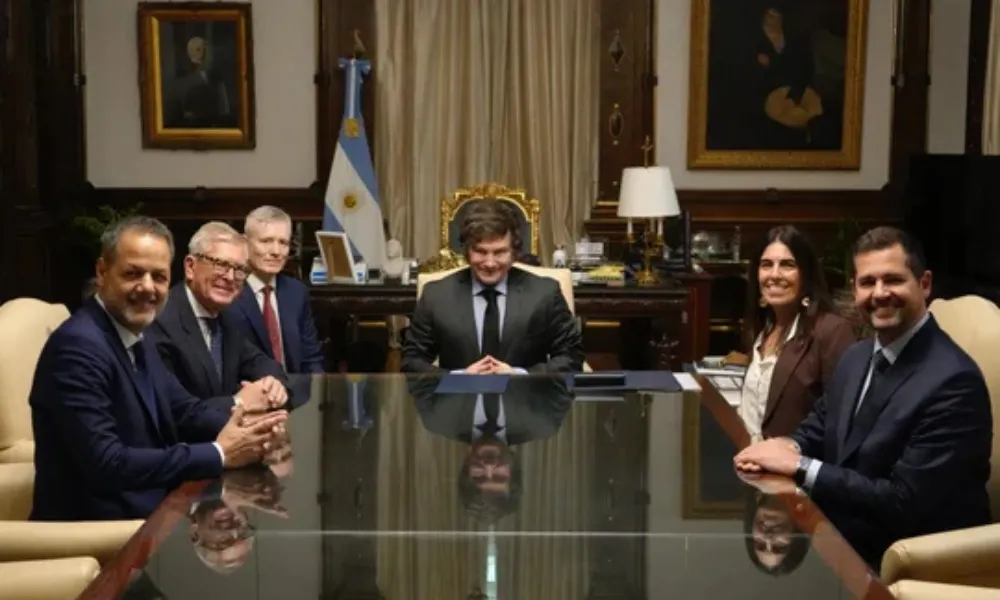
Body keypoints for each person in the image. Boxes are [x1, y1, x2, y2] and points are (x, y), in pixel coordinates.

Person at [734, 226, 993, 568]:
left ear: (925, 284)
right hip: (840, 539)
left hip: (904, 562)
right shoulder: (858, 356)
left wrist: (799, 465)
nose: (880, 293)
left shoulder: (954, 382)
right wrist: (789, 446)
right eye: (868, 282)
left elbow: (902, 501)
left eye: (893, 280)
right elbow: (822, 422)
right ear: (855, 289)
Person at [30, 216, 287, 521]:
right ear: (102, 272)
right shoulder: (78, 347)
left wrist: (256, 430)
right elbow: (107, 465)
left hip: (155, 507)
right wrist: (218, 453)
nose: (147, 287)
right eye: (133, 274)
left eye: (159, 277)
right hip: (104, 529)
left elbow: (185, 411)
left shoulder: (134, 335)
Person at [401, 200, 584, 374]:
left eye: (500, 252)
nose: (490, 263)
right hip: (458, 403)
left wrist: (520, 375)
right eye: (480, 251)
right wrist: (460, 378)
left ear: (514, 251)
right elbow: (412, 362)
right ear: (466, 252)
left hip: (527, 402)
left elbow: (571, 357)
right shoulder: (436, 295)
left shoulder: (545, 293)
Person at [147, 222, 291, 410]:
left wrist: (273, 384)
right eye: (220, 264)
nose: (230, 277)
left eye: (239, 270)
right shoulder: (160, 319)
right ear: (191, 267)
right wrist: (239, 402)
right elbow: (174, 410)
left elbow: (259, 362)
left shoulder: (229, 317)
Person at [738, 225, 856, 440]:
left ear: (806, 274)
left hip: (793, 467)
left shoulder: (831, 331)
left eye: (787, 265)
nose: (774, 275)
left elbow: (840, 421)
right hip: (748, 461)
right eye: (766, 265)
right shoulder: (764, 327)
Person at [409, 374, 573, 523]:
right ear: (513, 469)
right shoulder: (543, 421)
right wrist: (518, 374)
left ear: (466, 468)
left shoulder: (437, 419)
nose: (488, 467)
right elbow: (567, 374)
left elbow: (417, 374)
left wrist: (465, 377)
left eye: (479, 477)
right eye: (499, 477)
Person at [233, 205, 324, 374]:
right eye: (266, 241)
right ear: (245, 243)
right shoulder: (230, 291)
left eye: (283, 243)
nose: (276, 251)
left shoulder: (296, 292)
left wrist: (317, 394)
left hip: (295, 394)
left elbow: (311, 358)